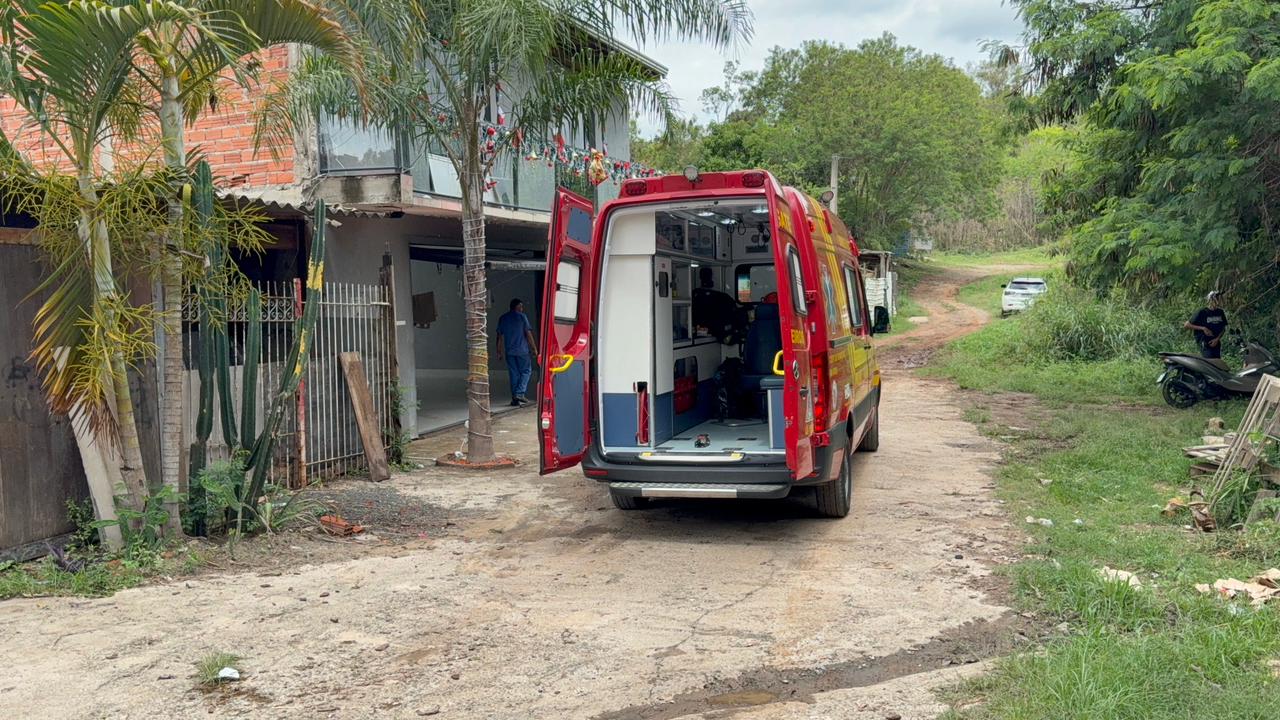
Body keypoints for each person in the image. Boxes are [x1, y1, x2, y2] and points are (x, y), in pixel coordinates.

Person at [496, 298, 538, 406]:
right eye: (521, 306)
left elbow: (499, 337)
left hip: (509, 351)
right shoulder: (522, 317)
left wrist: (499, 351)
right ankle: (520, 393)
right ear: (517, 307)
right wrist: (534, 348)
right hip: (522, 351)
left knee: (513, 374)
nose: (522, 309)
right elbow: (528, 334)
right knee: (526, 371)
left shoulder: (503, 318)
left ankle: (514, 398)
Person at [693, 267, 740, 343]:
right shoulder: (723, 297)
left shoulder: (694, 295)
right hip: (715, 331)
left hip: (700, 332)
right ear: (712, 277)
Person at [1185, 291, 1229, 360]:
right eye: (1216, 299)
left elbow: (1223, 328)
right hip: (1204, 341)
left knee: (1217, 361)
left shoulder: (1220, 312)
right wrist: (1203, 328)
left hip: (1216, 341)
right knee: (1209, 360)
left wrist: (1217, 339)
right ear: (1211, 300)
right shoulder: (1202, 312)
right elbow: (1187, 325)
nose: (1219, 301)